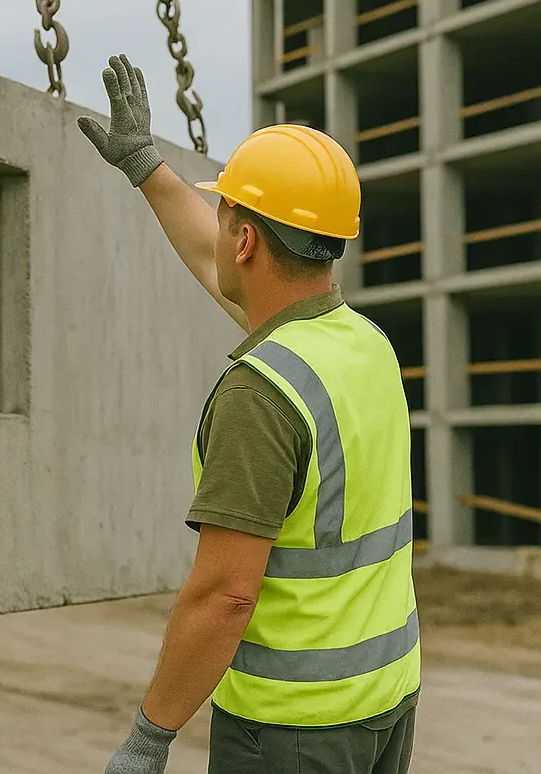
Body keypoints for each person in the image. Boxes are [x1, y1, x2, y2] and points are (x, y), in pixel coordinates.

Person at [79, 57, 420, 774]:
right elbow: (220, 263)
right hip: (384, 703)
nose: (220, 224)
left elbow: (226, 595)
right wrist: (146, 165)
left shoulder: (261, 392)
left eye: (227, 210)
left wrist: (150, 735)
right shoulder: (366, 345)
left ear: (247, 241)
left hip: (294, 731)